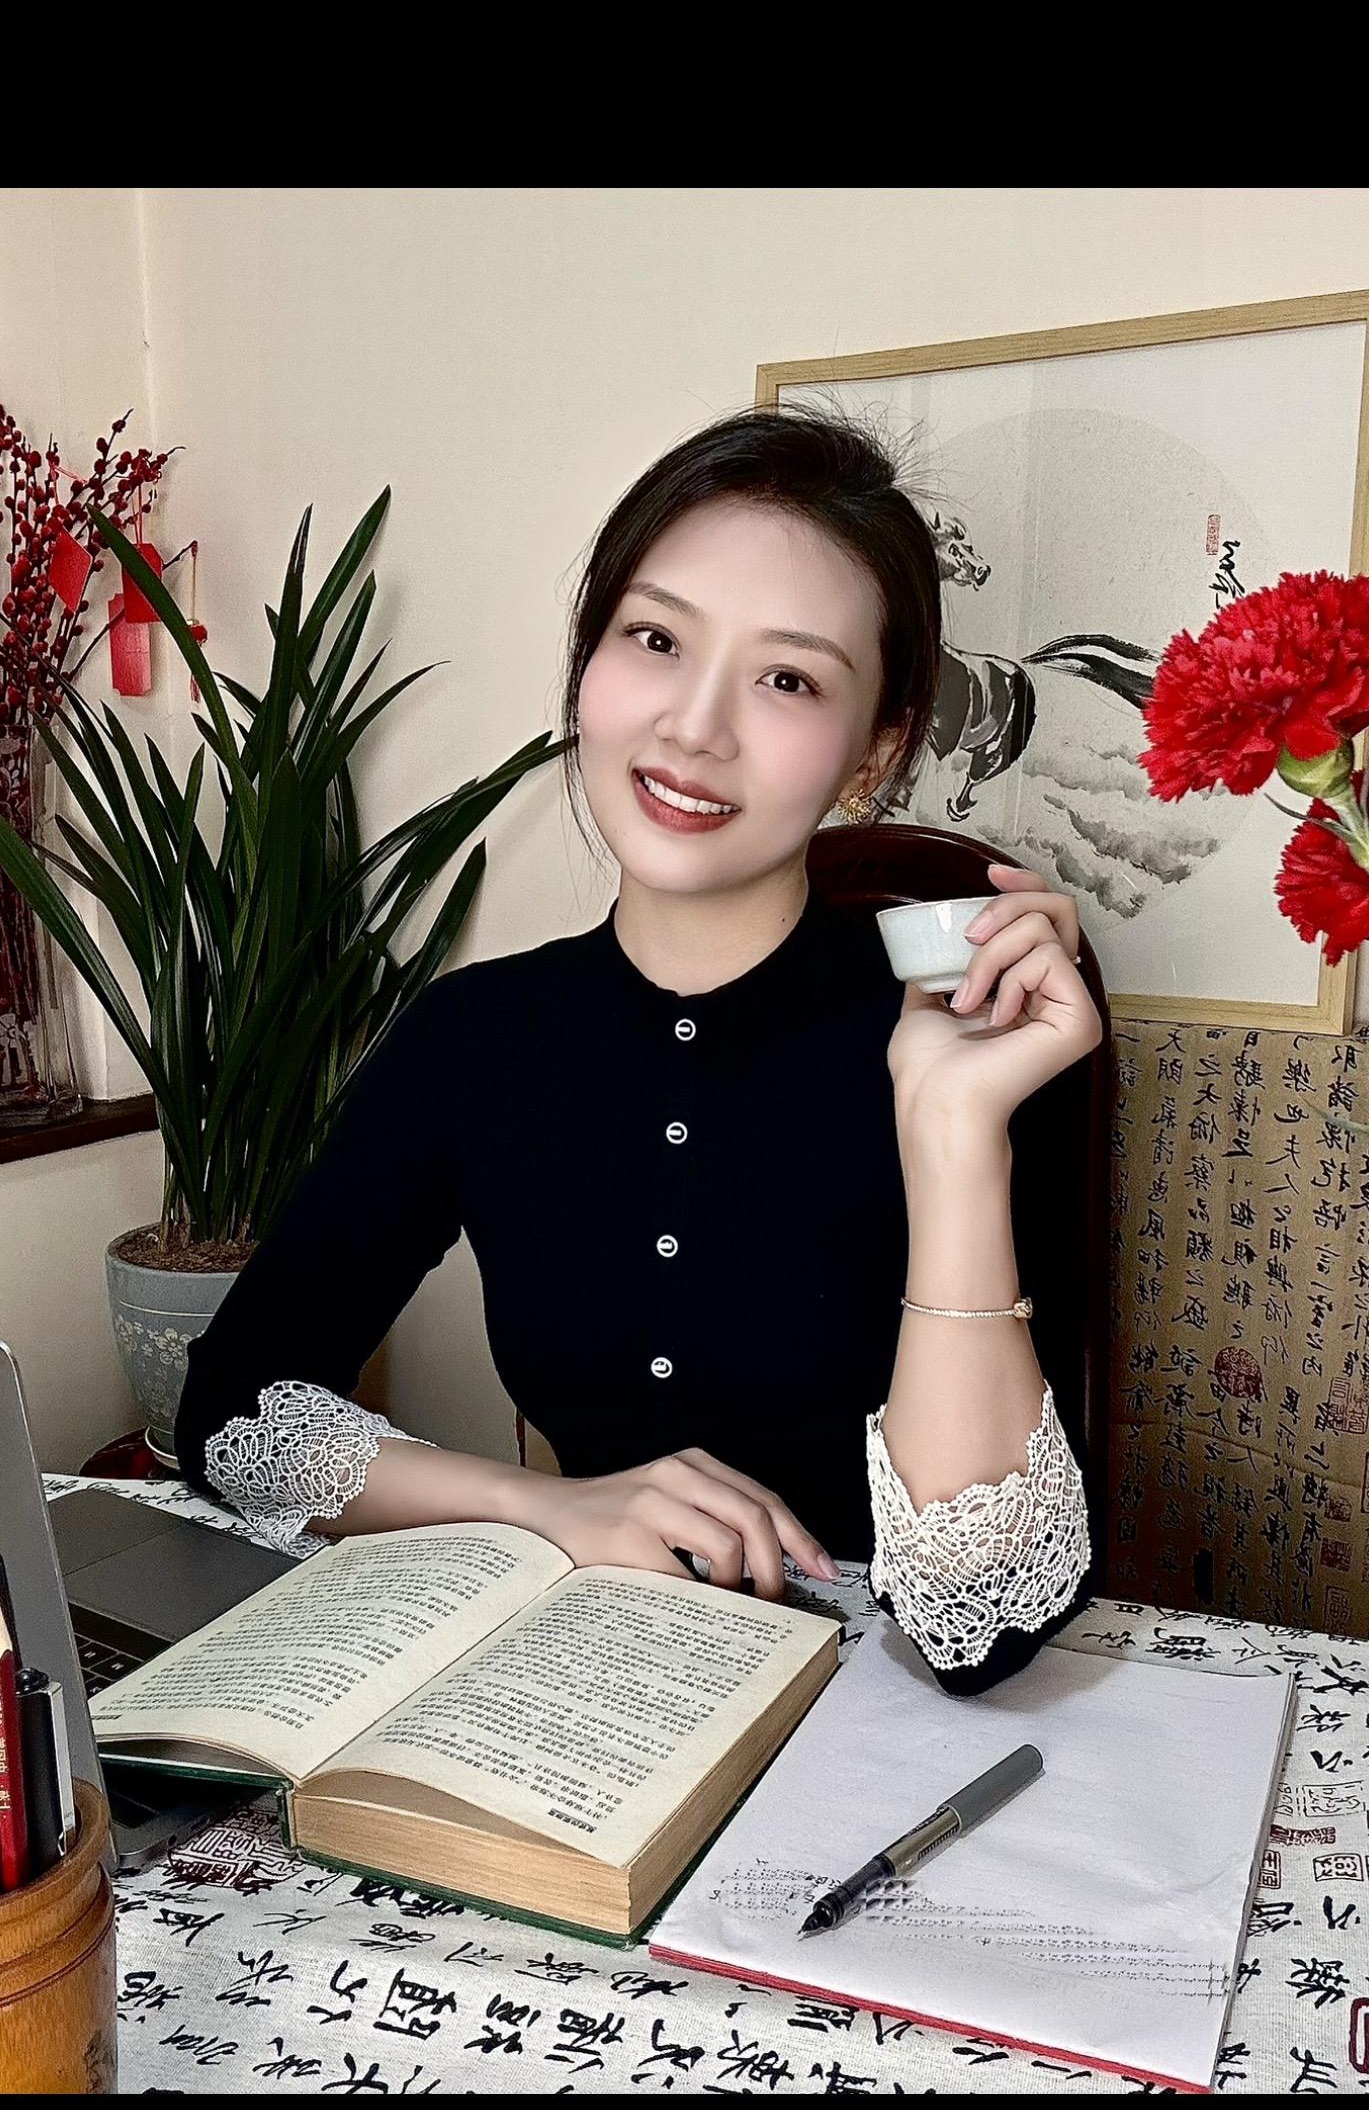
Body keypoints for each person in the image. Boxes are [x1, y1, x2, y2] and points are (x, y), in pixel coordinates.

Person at [174, 406, 1105, 1693]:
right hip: (585, 1697)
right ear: (588, 659)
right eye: (655, 638)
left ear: (878, 748)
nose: (692, 726)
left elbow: (976, 1628)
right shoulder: (474, 1036)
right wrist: (549, 1506)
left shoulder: (956, 1042)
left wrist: (953, 1133)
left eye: (788, 679)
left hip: (875, 1729)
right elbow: (232, 1412)